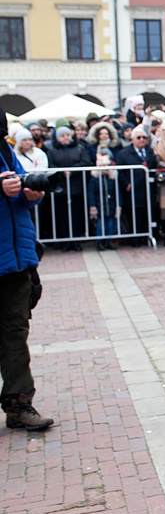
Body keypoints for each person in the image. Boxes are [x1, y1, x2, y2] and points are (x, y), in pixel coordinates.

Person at [0, 105, 53, 431]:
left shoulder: (5, 148)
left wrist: (31, 194)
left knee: (15, 333)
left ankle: (19, 403)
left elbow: (20, 190)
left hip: (16, 260)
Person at [45, 123, 92, 250]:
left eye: (67, 135)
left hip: (76, 186)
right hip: (60, 187)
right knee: (62, 215)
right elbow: (50, 165)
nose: (66, 138)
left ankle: (76, 239)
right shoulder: (52, 150)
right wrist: (61, 172)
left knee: (76, 214)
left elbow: (85, 163)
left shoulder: (79, 148)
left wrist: (72, 171)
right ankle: (65, 240)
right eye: (63, 136)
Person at [116, 126, 157, 246]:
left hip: (148, 190)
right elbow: (120, 171)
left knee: (148, 213)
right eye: (138, 137)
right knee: (135, 215)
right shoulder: (124, 154)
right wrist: (126, 184)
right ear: (132, 139)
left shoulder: (150, 152)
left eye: (144, 137)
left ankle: (148, 236)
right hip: (133, 190)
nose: (142, 140)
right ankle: (135, 238)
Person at [87, 148, 119, 250]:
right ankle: (100, 241)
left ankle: (109, 241)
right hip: (99, 205)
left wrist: (119, 205)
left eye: (107, 166)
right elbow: (91, 193)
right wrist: (92, 205)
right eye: (103, 166)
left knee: (110, 225)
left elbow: (118, 193)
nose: (105, 168)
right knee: (100, 226)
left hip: (111, 205)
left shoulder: (112, 179)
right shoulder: (94, 179)